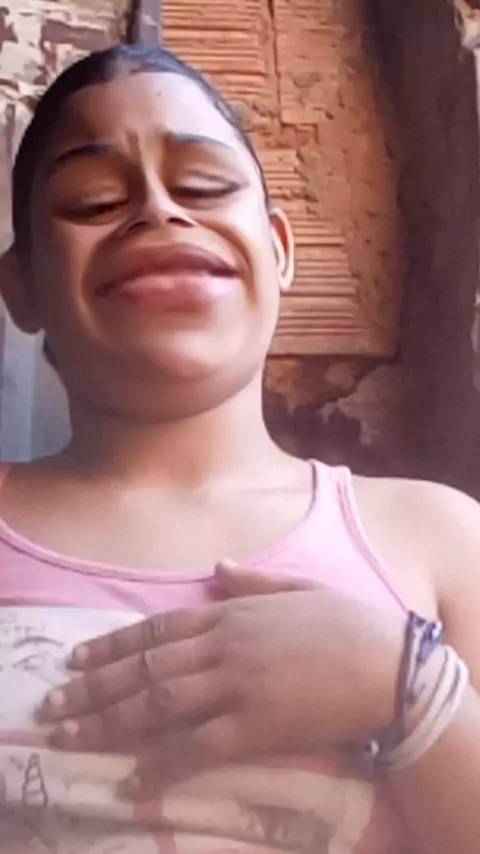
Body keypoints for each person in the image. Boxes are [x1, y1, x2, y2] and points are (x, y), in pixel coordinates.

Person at [0, 42, 479, 854]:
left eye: (203, 187)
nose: (158, 210)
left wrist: (408, 684)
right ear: (22, 285)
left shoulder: (442, 539)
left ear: (280, 250)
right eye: (92, 199)